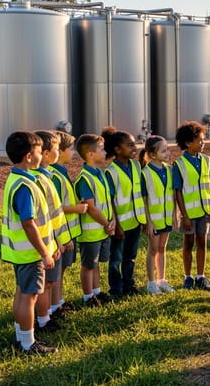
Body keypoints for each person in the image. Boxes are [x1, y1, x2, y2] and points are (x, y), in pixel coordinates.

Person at [1, 131, 57, 355]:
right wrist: (44, 252)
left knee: (22, 293)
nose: (40, 157)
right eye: (37, 152)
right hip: (30, 253)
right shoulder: (25, 186)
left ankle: (21, 336)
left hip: (20, 252)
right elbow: (28, 223)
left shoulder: (16, 179)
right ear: (28, 156)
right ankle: (27, 344)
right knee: (30, 296)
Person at [29, 131, 69, 333]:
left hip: (53, 241)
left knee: (51, 282)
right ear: (45, 153)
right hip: (47, 243)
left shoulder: (48, 176)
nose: (58, 152)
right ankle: (43, 320)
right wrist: (55, 241)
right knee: (45, 284)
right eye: (55, 149)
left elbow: (55, 212)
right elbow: (42, 217)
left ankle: (48, 313)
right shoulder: (39, 180)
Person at [102, 127, 146, 298]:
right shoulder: (110, 172)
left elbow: (139, 194)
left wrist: (142, 218)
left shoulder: (136, 166)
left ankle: (129, 284)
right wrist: (117, 226)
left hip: (135, 221)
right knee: (116, 259)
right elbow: (111, 201)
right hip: (121, 224)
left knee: (131, 256)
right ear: (118, 150)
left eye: (134, 145)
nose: (134, 148)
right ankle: (116, 289)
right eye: (130, 145)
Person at [73, 133, 116, 307]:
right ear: (91, 154)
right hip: (91, 233)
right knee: (88, 265)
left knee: (96, 264)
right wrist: (107, 224)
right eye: (102, 149)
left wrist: (112, 220)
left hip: (103, 229)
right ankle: (87, 296)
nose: (105, 152)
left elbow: (107, 200)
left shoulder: (101, 174)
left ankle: (97, 293)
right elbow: (91, 207)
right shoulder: (84, 179)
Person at [174, 121, 210, 292]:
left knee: (202, 242)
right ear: (187, 143)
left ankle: (201, 276)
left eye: (203, 139)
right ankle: (188, 277)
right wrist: (184, 216)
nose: (203, 142)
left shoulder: (207, 160)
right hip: (189, 215)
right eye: (199, 140)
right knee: (188, 243)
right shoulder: (178, 165)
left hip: (205, 212)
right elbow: (178, 192)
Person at [49, 130, 84, 316]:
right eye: (70, 149)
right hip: (61, 234)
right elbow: (55, 207)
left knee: (61, 271)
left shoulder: (61, 172)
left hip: (68, 232)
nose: (73, 153)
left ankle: (59, 302)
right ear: (59, 151)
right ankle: (54, 307)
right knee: (56, 273)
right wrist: (77, 209)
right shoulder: (54, 176)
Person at [139, 135, 178, 294]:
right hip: (153, 220)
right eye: (164, 151)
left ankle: (162, 280)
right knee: (153, 249)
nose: (168, 153)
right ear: (153, 155)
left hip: (167, 218)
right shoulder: (145, 173)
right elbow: (144, 200)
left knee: (162, 248)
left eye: (168, 149)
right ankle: (151, 283)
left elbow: (174, 195)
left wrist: (175, 215)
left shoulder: (170, 170)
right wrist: (148, 222)